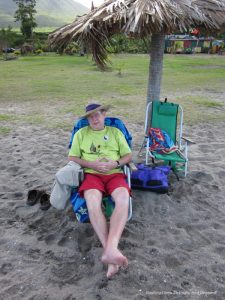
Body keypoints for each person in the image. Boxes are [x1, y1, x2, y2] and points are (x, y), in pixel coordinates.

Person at [68, 103, 132, 278]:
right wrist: (91, 164)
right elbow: (72, 157)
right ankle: (110, 252)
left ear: (104, 115)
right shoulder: (81, 134)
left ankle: (110, 251)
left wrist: (116, 163)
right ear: (87, 119)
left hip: (114, 173)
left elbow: (128, 156)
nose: (94, 119)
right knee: (92, 200)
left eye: (97, 115)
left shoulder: (115, 132)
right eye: (90, 117)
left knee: (123, 198)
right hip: (92, 175)